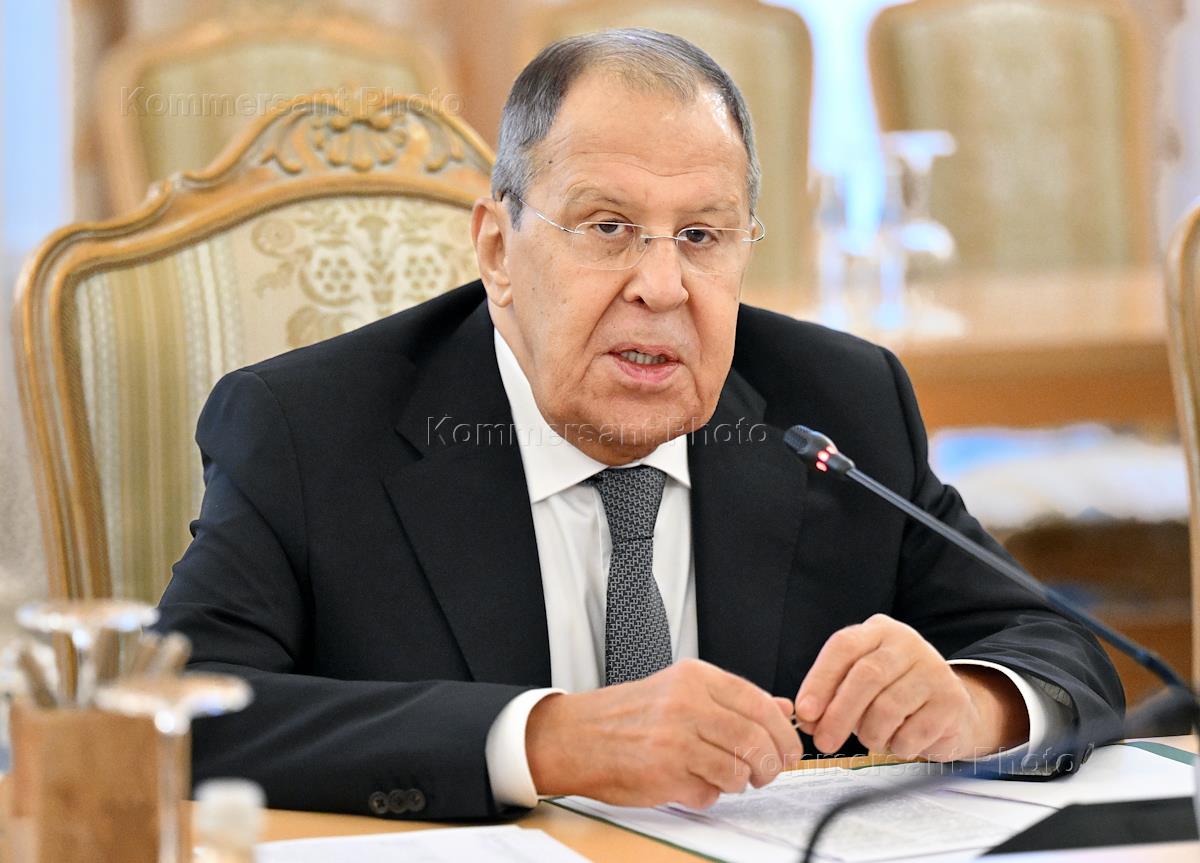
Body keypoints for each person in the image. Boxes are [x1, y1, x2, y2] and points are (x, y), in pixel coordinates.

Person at [156, 29, 1124, 819]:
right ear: (497, 249)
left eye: (701, 236)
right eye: (608, 227)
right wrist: (545, 739)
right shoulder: (310, 429)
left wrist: (971, 702)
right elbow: (181, 715)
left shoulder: (837, 405)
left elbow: (1059, 649)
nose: (662, 286)